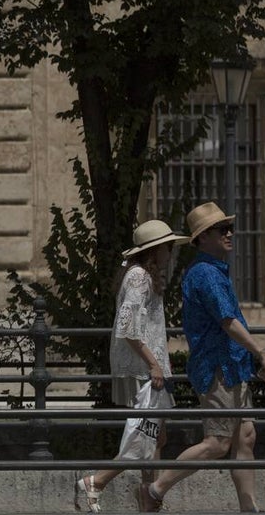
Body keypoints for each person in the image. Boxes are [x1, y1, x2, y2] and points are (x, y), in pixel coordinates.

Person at [136, 202, 265, 513]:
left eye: (230, 228)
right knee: (217, 442)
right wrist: (261, 353)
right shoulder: (205, 274)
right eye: (221, 229)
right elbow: (227, 321)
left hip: (232, 366)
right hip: (218, 368)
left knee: (245, 438)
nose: (230, 234)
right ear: (202, 237)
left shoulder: (213, 271)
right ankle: (155, 489)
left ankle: (249, 508)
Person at [75, 219, 189, 513]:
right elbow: (128, 328)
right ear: (155, 250)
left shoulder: (141, 275)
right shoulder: (139, 277)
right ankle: (97, 481)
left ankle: (147, 498)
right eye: (168, 247)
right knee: (146, 435)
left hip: (149, 367)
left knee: (155, 436)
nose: (171, 252)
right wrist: (154, 365)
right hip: (145, 369)